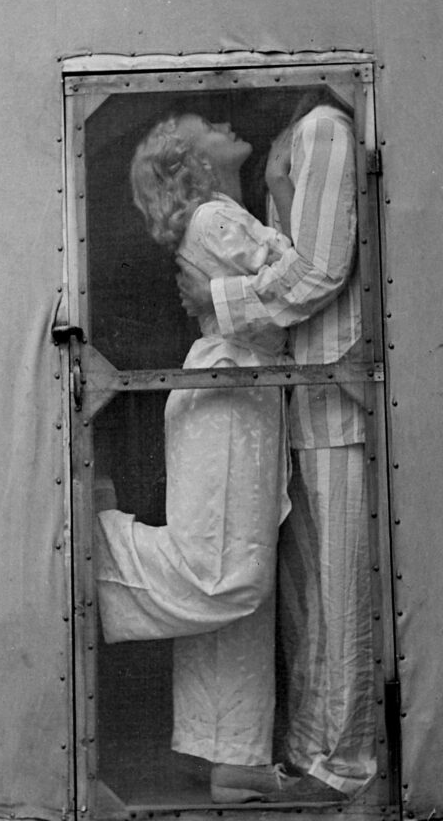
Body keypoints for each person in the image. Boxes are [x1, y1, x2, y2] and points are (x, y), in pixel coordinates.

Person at [94, 112, 299, 804]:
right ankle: (100, 552)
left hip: (231, 390)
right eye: (205, 124)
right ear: (191, 160)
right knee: (228, 574)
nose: (223, 121)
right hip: (230, 393)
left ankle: (230, 752)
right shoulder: (215, 218)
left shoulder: (220, 215)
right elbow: (303, 286)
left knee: (241, 588)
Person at [178, 95, 377, 802]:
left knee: (338, 588)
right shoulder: (299, 133)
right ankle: (310, 753)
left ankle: (339, 763)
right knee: (312, 591)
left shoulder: (325, 128)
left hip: (334, 390)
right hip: (309, 389)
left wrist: (222, 300)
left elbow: (321, 269)